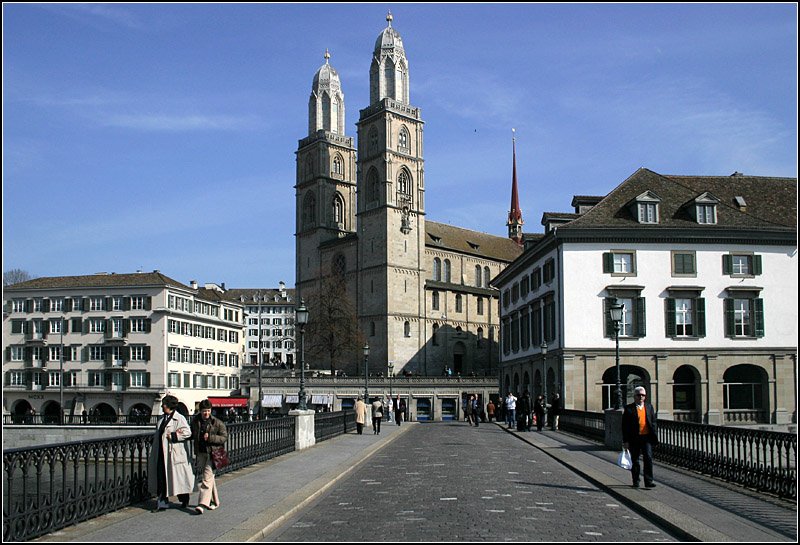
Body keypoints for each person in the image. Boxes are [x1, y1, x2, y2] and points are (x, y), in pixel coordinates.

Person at [148, 395, 195, 511]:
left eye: (163, 404)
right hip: (161, 453)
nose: (162, 406)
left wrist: (174, 436)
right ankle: (162, 503)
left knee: (177, 479)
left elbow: (187, 432)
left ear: (168, 405)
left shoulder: (179, 418)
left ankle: (184, 499)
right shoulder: (161, 420)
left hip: (173, 454)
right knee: (162, 478)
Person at [191, 399, 228, 514]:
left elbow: (224, 437)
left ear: (211, 411)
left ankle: (202, 504)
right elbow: (191, 433)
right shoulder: (195, 421)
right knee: (209, 478)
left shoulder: (217, 423)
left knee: (206, 478)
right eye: (204, 411)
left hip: (213, 454)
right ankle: (214, 501)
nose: (206, 413)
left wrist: (211, 438)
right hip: (200, 452)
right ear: (200, 411)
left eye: (208, 411)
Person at [621, 386, 659, 488]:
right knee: (635, 460)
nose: (641, 397)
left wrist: (654, 435)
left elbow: (653, 422)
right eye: (639, 395)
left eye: (643, 395)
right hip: (634, 438)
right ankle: (636, 481)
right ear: (635, 396)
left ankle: (648, 481)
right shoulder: (629, 409)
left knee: (648, 458)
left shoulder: (649, 407)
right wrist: (625, 441)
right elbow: (624, 426)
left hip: (646, 437)